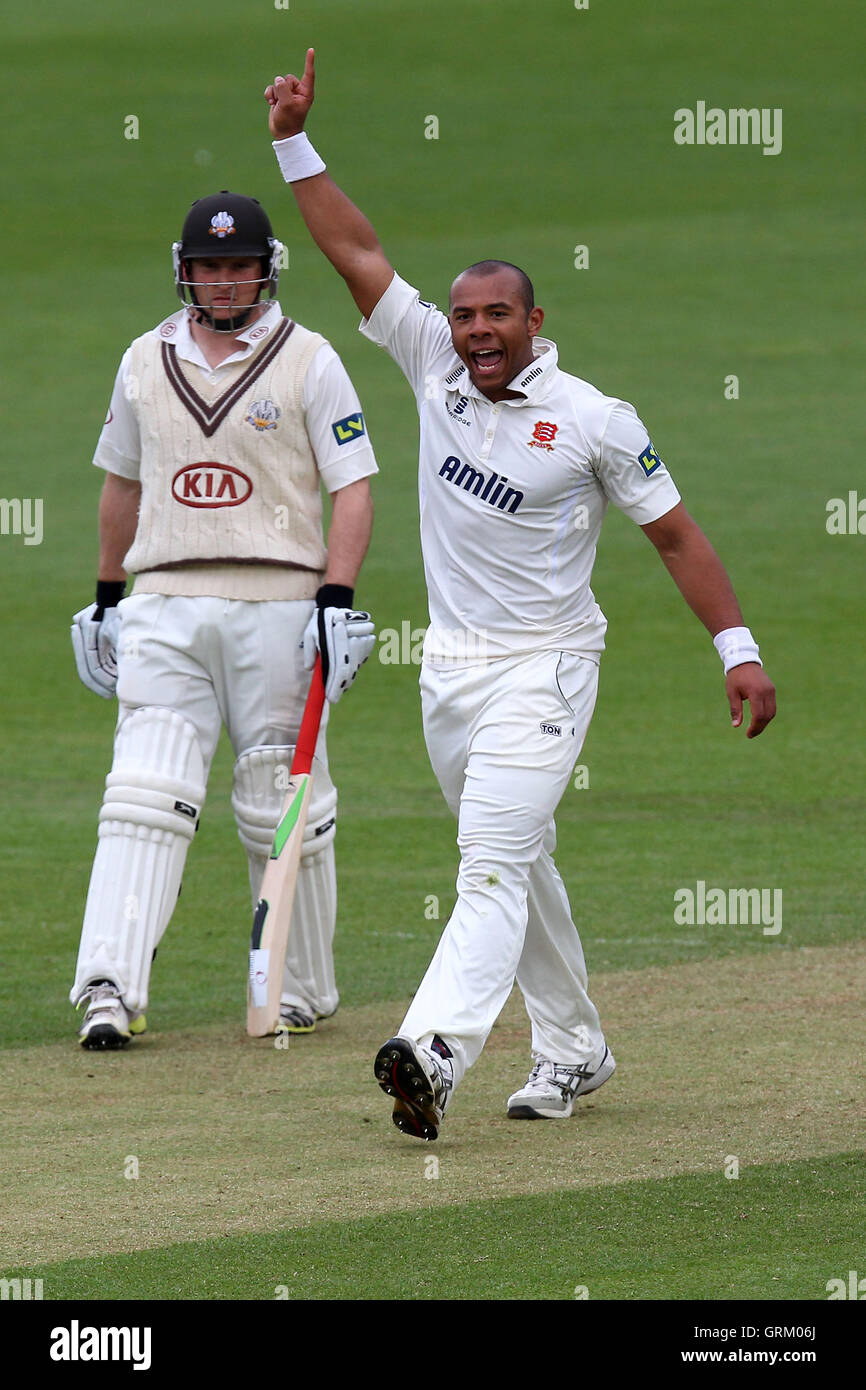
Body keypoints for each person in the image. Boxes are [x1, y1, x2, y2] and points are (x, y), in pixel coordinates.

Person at [264, 52, 777, 1139]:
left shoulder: (595, 419)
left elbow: (675, 533)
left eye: (498, 315)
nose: (478, 332)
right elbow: (355, 251)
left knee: (488, 864)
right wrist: (292, 140)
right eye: (464, 316)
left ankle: (432, 1050)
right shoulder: (431, 368)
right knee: (521, 859)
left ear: (534, 320)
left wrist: (735, 644)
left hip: (547, 665)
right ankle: (573, 1048)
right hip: (447, 670)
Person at [70, 189, 377, 1048]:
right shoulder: (143, 358)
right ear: (186, 273)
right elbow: (122, 484)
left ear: (265, 271)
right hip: (164, 599)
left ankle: (295, 986)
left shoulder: (310, 359)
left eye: (239, 266)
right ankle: (108, 988)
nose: (225, 283)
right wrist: (105, 599)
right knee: (143, 792)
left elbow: (354, 486)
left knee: (282, 796)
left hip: (278, 600)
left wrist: (337, 602)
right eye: (210, 268)